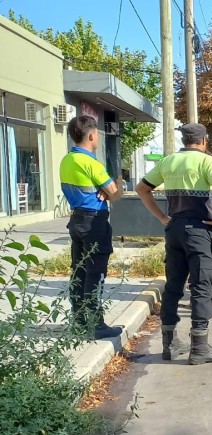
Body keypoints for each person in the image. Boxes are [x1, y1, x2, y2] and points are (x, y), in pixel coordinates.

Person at [135, 123, 212, 364]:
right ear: (204, 141)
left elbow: (142, 189)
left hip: (175, 229)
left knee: (173, 287)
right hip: (201, 229)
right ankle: (199, 347)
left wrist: (163, 218)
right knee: (202, 286)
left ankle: (169, 344)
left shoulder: (168, 161)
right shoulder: (208, 162)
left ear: (184, 140)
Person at [60, 115, 123, 339]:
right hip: (94, 221)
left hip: (76, 220)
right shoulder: (91, 163)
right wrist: (109, 188)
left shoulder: (66, 160)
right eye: (97, 133)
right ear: (91, 135)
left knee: (78, 271)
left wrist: (104, 189)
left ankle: (78, 320)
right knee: (95, 273)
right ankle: (96, 325)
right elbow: (116, 193)